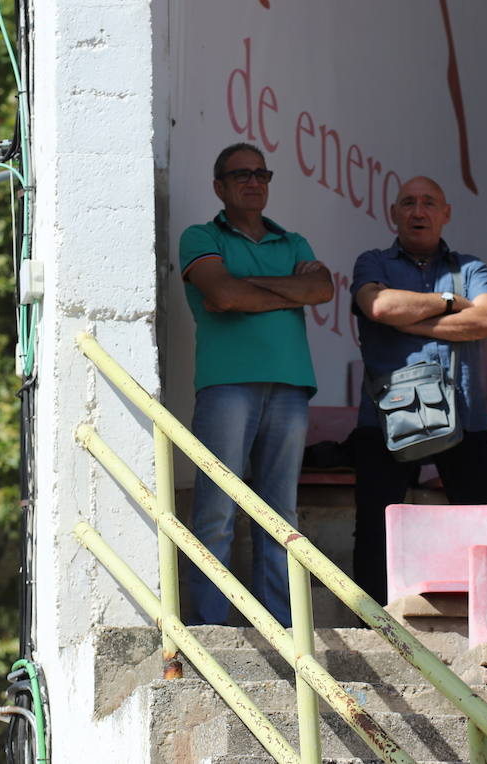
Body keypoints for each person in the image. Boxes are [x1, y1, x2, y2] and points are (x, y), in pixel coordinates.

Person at [179, 142, 334, 625]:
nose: (253, 181)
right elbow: (221, 294)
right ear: (219, 186)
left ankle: (281, 629)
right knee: (216, 514)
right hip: (226, 386)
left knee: (280, 517)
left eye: (261, 174)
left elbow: (322, 289)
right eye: (240, 174)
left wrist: (249, 289)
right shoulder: (200, 235)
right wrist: (288, 290)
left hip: (290, 386)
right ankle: (209, 627)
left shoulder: (294, 242)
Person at [350, 175, 487, 605]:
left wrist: (408, 319)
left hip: (465, 414)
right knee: (375, 528)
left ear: (446, 213)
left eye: (429, 203)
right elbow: (378, 306)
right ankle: (372, 623)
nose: (419, 211)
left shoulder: (470, 267)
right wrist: (451, 302)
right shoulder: (372, 262)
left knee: (482, 526)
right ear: (393, 213)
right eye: (409, 203)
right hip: (386, 417)